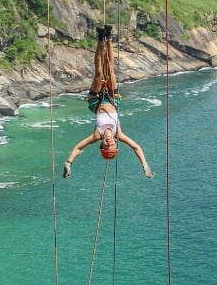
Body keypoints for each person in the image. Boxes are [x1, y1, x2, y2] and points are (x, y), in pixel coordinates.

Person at [63, 25, 155, 179]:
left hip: (96, 102)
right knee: (110, 69)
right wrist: (145, 167)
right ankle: (109, 38)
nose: (109, 142)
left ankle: (100, 40)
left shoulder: (97, 135)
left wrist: (68, 163)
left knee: (99, 73)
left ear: (102, 145)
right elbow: (136, 147)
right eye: (111, 145)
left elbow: (79, 147)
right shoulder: (117, 133)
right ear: (115, 143)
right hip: (112, 100)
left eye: (106, 145)